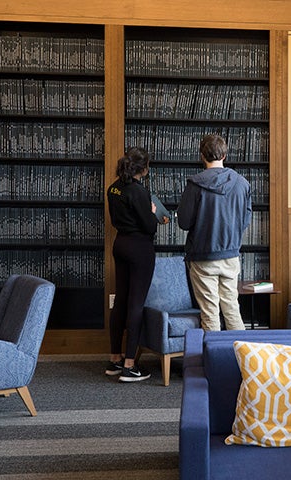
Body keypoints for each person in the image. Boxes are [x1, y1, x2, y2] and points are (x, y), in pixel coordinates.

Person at [177, 133, 252, 331]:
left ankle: (213, 360)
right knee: (232, 309)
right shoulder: (242, 184)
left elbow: (184, 222)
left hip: (202, 257)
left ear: (202, 155)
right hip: (230, 256)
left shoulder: (195, 184)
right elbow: (245, 221)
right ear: (224, 156)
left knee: (210, 313)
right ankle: (239, 359)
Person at [106, 146, 159, 382]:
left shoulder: (113, 188)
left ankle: (115, 358)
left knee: (120, 301)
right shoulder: (139, 192)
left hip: (121, 245)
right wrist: (153, 212)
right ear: (144, 169)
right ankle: (130, 365)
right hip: (140, 248)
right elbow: (150, 226)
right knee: (136, 304)